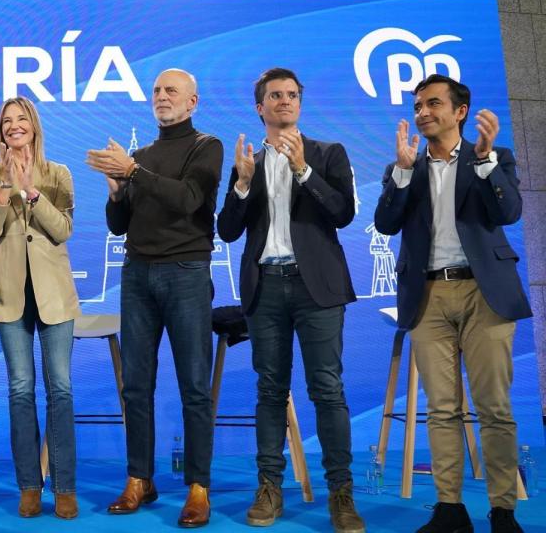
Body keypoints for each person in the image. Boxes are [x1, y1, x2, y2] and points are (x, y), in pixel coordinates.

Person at [374, 74, 531, 533]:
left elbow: (509, 213)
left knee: (494, 407)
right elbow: (385, 223)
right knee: (441, 408)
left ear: (460, 112)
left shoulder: (495, 158)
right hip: (427, 296)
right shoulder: (405, 165)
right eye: (418, 105)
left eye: (433, 104)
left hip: (487, 294)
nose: (423, 112)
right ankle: (449, 508)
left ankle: (503, 510)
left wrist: (484, 162)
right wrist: (402, 173)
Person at [216, 68, 365, 533]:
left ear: (300, 103)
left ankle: (341, 494)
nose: (285, 101)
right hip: (265, 288)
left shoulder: (328, 153)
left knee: (327, 390)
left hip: (316, 288)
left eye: (292, 95)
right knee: (268, 392)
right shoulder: (247, 162)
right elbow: (227, 230)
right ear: (260, 107)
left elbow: (342, 213)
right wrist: (241, 186)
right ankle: (270, 488)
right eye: (275, 96)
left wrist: (303, 171)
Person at [86, 68, 222, 528]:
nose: (161, 97)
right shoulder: (140, 155)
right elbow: (119, 226)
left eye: (171, 91)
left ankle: (198, 487)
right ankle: (139, 479)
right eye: (157, 91)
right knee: (136, 385)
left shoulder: (207, 147)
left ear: (192, 102)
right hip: (137, 275)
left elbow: (187, 199)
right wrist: (117, 194)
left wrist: (133, 172)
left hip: (186, 273)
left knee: (194, 386)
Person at [0, 97, 81, 519]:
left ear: (34, 127)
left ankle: (65, 486)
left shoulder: (58, 173)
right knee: (20, 389)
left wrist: (33, 193)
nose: (14, 126)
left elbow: (63, 230)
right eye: (7, 122)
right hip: (10, 296)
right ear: (0, 131)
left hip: (54, 294)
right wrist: (5, 190)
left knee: (60, 388)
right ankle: (28, 486)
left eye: (21, 120)